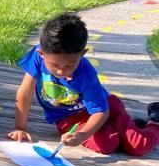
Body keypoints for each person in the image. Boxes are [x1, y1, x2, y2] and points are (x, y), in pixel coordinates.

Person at [9, 12, 159, 155]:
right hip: (68, 118)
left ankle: (154, 121)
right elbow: (25, 92)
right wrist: (20, 128)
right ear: (41, 54)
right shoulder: (37, 57)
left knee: (138, 145)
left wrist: (82, 136)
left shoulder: (86, 73)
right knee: (106, 144)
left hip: (107, 108)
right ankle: (129, 127)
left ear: (83, 53)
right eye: (55, 66)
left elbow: (101, 111)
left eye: (70, 65)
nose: (61, 71)